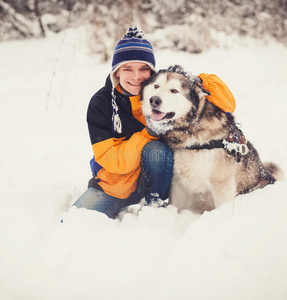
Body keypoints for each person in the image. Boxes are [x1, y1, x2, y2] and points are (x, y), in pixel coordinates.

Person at [74, 27, 237, 219]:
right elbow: (112, 160)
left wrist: (196, 81)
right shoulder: (100, 104)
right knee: (73, 220)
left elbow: (228, 104)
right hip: (116, 185)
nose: (136, 77)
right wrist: (148, 133)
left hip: (161, 179)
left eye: (144, 69)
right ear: (117, 71)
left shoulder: (161, 87)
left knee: (156, 150)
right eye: (128, 69)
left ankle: (155, 208)